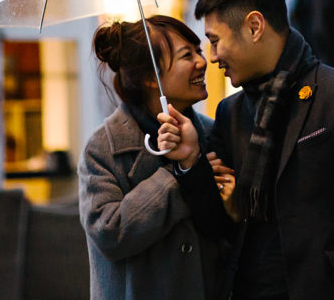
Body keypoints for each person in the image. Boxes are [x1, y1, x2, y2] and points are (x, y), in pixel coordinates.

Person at [158, 0, 334, 299]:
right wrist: (189, 159)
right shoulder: (230, 113)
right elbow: (214, 224)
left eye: (215, 41)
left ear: (254, 26)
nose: (212, 57)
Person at [79, 15, 234, 300]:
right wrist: (180, 175)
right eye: (188, 55)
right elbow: (109, 233)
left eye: (198, 50)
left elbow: (226, 231)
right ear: (152, 78)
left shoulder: (213, 133)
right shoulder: (103, 148)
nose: (202, 62)